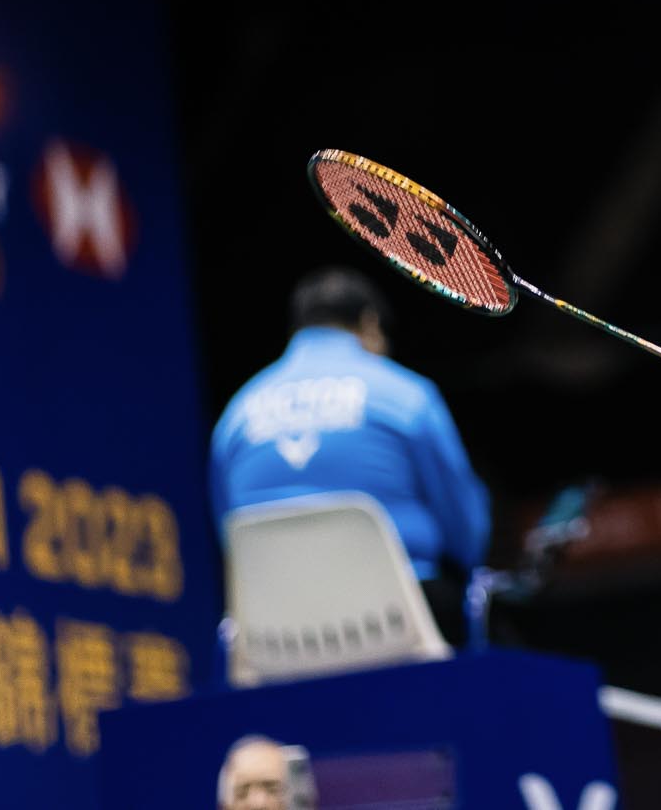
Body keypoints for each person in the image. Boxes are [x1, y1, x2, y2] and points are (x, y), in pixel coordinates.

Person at [210, 268, 491, 644]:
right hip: (397, 623)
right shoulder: (406, 395)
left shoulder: (236, 416)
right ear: (370, 324)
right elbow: (468, 533)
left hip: (279, 637)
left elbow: (229, 539)